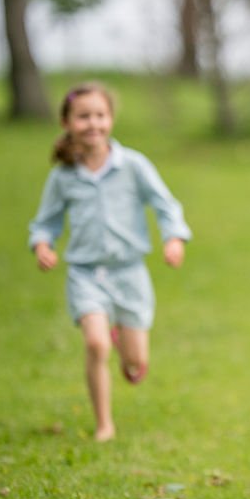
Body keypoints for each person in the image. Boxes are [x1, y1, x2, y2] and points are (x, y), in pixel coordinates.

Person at [28, 82, 191, 442]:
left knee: (134, 362)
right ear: (67, 122)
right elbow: (46, 221)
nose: (93, 124)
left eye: (100, 116)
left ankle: (126, 346)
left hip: (129, 273)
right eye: (83, 117)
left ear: (111, 119)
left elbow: (166, 205)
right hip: (86, 275)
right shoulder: (63, 176)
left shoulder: (133, 165)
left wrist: (173, 238)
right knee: (96, 345)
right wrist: (42, 244)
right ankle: (104, 423)